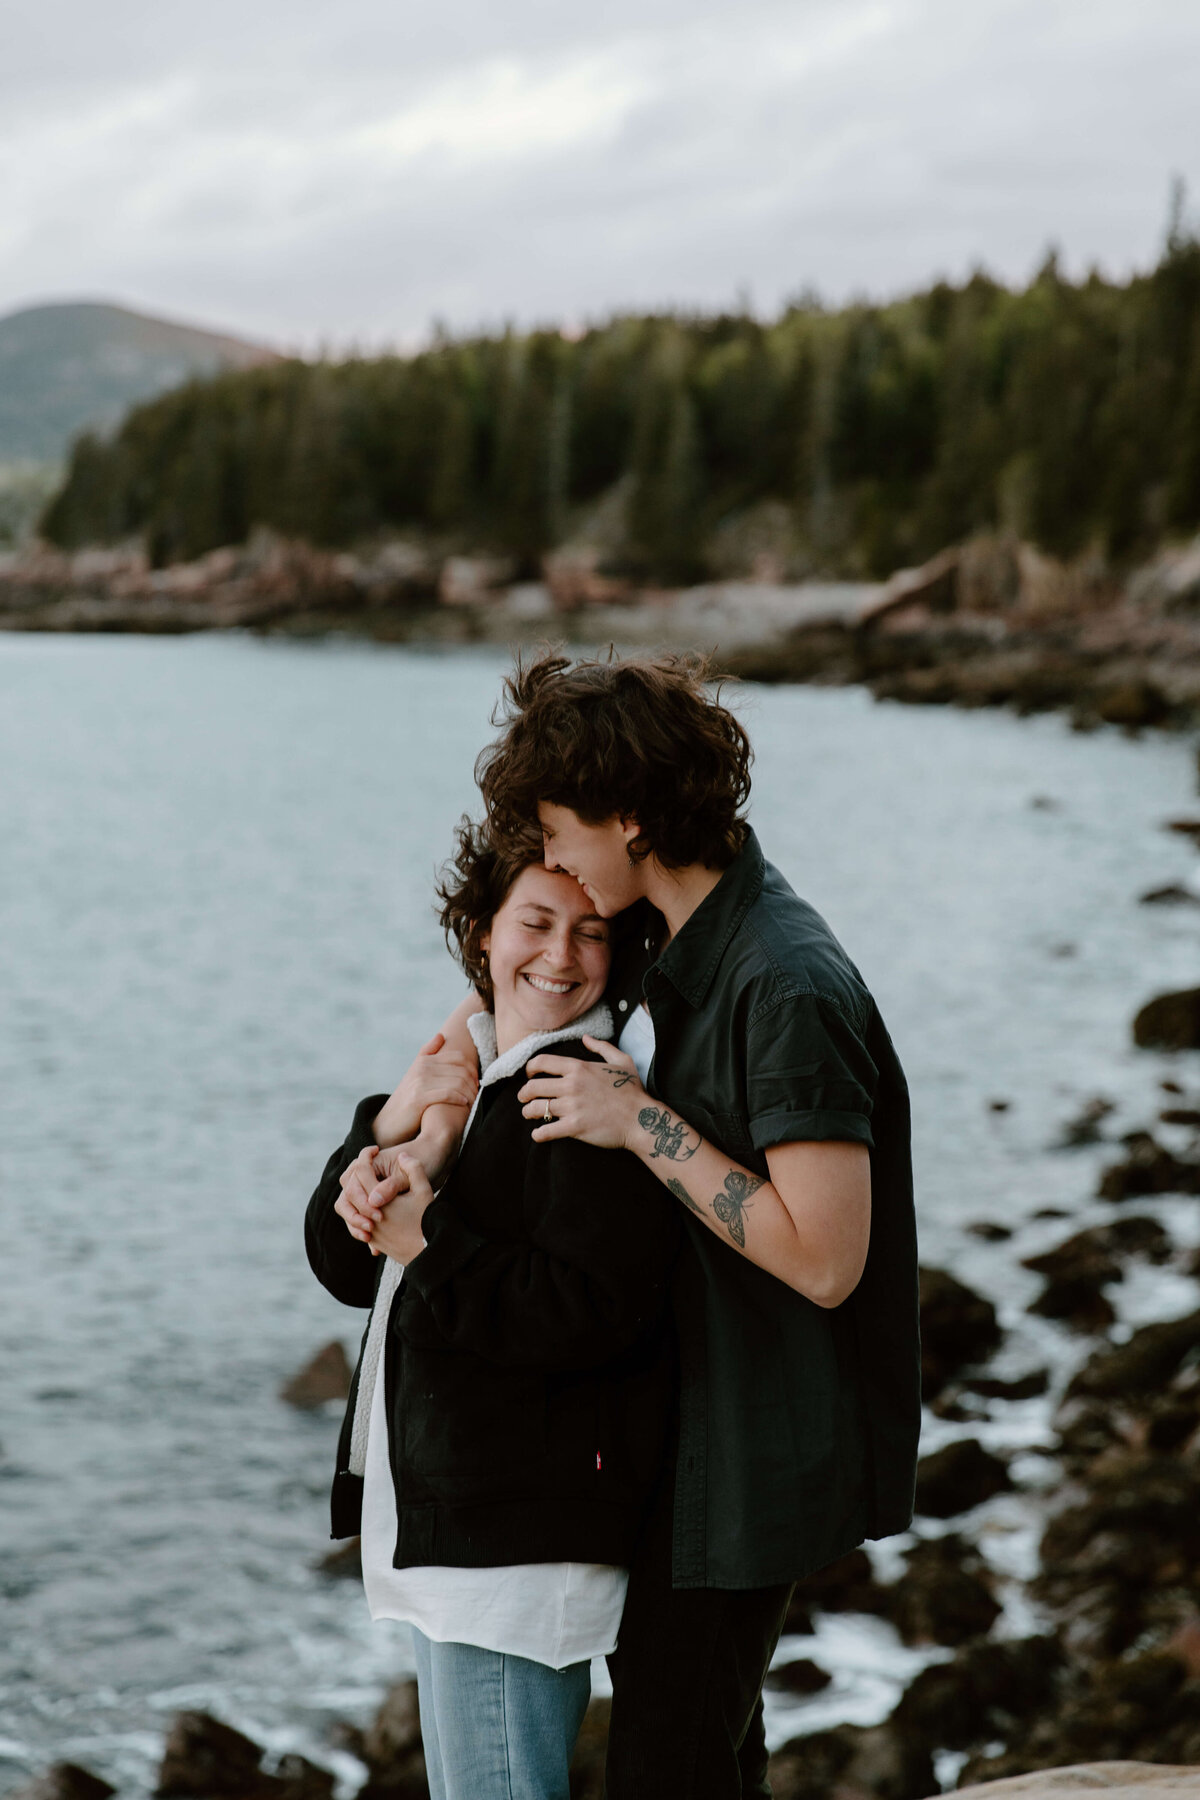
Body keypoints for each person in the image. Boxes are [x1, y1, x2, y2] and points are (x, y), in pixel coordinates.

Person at [343, 650, 921, 1800]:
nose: (551, 856)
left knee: (672, 1768)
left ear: (633, 818)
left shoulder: (784, 981)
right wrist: (427, 1105)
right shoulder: (673, 943)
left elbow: (825, 1257)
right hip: (676, 1437)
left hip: (751, 1453)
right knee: (698, 1759)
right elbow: (522, 1011)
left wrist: (638, 1121)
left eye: (561, 829)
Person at [305, 822, 680, 1800]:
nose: (561, 955)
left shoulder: (581, 1092)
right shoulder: (468, 1082)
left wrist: (428, 1244)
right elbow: (342, 1265)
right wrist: (395, 1122)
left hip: (517, 1554)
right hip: (456, 1536)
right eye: (537, 922)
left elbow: (596, 1312)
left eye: (591, 931)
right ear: (481, 930)